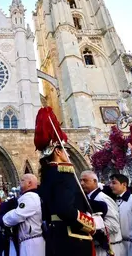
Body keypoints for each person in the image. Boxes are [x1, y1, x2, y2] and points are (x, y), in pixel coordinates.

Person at [35, 107, 97, 256]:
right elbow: (64, 209)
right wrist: (91, 223)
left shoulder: (48, 174)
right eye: (65, 150)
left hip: (57, 237)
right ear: (57, 151)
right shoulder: (63, 174)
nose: (67, 154)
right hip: (73, 241)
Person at [0, 174, 44, 256]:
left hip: (31, 243)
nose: (19, 182)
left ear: (29, 183)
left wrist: (2, 219)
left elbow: (18, 215)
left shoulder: (30, 197)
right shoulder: (30, 196)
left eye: (22, 180)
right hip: (28, 240)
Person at [80, 170, 125, 256]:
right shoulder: (86, 199)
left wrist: (91, 228)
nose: (82, 183)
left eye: (85, 180)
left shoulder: (103, 198)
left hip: (111, 248)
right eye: (80, 180)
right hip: (97, 247)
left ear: (95, 181)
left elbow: (114, 225)